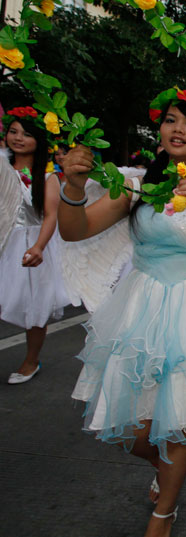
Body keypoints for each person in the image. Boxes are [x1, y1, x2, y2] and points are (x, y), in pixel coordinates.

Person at [59, 89, 186, 537]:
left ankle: (163, 513)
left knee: (177, 425)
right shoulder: (138, 187)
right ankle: (167, 473)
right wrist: (72, 187)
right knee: (132, 428)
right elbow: (76, 230)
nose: (178, 129)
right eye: (170, 120)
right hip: (138, 309)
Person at [1, 106, 74, 384]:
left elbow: (51, 215)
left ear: (38, 141)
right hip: (3, 241)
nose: (18, 138)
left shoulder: (48, 176)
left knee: (34, 306)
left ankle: (31, 361)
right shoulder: (1, 168)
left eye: (26, 134)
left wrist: (39, 247)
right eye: (13, 132)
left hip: (30, 243)